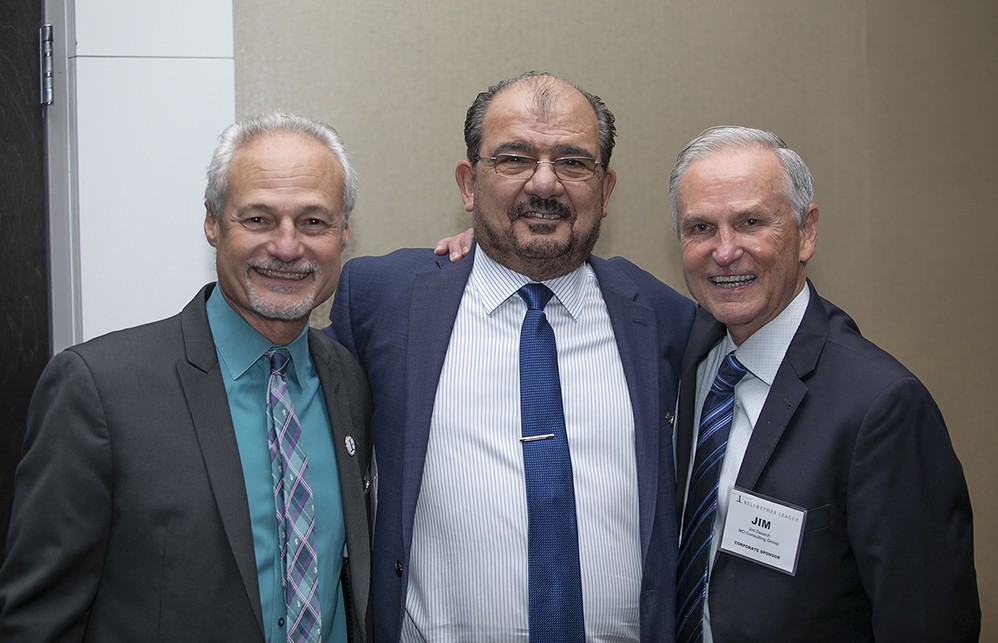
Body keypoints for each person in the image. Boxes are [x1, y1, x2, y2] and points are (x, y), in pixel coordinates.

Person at [326, 71, 695, 642]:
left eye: (573, 162)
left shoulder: (668, 317)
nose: (544, 185)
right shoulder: (381, 299)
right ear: (469, 184)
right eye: (514, 159)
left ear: (607, 187)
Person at [0, 112, 373, 642]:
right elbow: (36, 622)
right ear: (212, 223)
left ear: (343, 233)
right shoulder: (99, 390)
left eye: (313, 222)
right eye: (259, 220)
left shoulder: (348, 381)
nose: (288, 247)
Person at [670, 125, 980, 642]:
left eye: (750, 222)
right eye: (700, 228)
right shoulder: (687, 357)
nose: (724, 252)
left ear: (806, 231)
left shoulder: (881, 407)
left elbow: (928, 621)